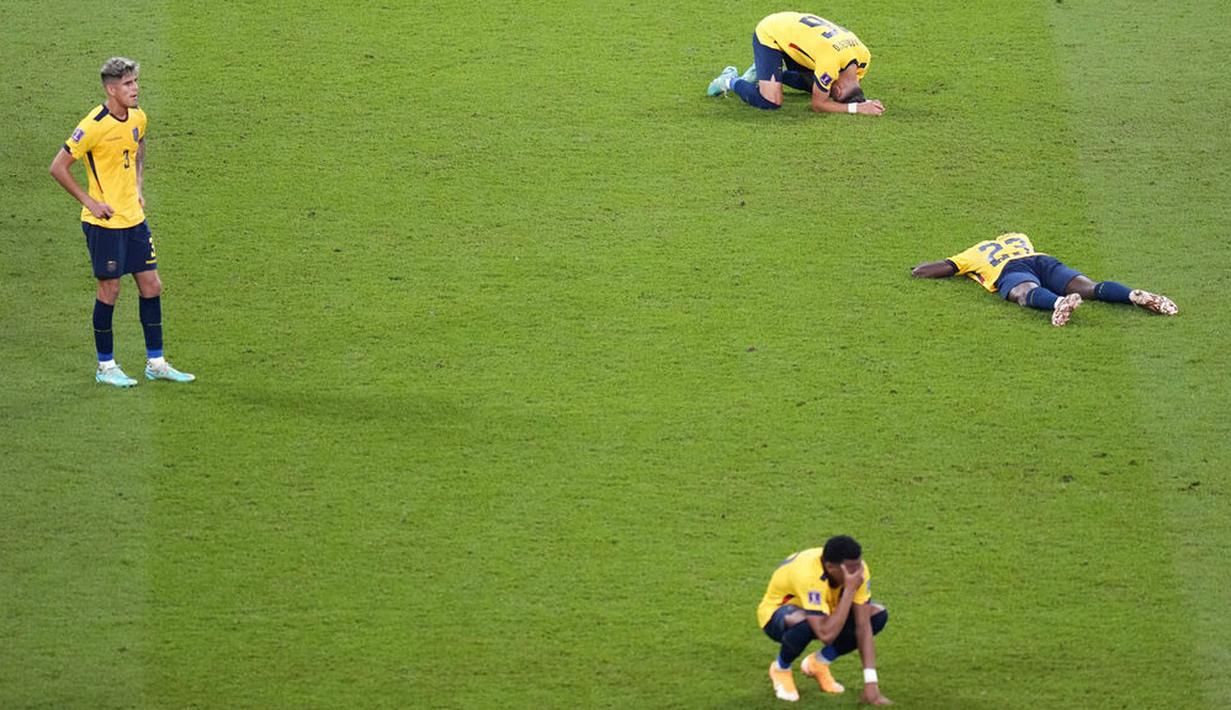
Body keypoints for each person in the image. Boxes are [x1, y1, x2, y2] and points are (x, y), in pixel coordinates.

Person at [49, 57, 195, 387]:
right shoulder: (93, 125)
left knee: (152, 285)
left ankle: (155, 363)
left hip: (134, 218)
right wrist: (90, 201)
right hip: (104, 224)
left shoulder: (138, 117)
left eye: (135, 82)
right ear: (111, 89)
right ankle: (106, 366)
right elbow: (58, 166)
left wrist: (138, 186)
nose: (135, 88)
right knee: (110, 289)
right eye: (128, 84)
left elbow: (139, 143)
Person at [911, 232, 1179, 326]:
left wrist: (920, 267)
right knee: (1090, 288)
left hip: (1009, 268)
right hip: (1042, 259)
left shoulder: (975, 252)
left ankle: (1057, 303)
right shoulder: (1020, 238)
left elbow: (933, 270)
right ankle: (1131, 295)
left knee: (1025, 292)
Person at [756, 535, 891, 705]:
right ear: (830, 567)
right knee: (805, 624)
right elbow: (825, 634)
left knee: (877, 616)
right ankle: (780, 668)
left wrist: (871, 682)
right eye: (851, 569)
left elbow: (863, 626)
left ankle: (818, 663)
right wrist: (849, 591)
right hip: (779, 614)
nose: (859, 574)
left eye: (859, 566)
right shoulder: (808, 575)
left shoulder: (858, 570)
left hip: (825, 609)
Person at [707, 12, 885, 116]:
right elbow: (818, 105)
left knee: (815, 85)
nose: (832, 92)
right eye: (834, 93)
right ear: (837, 90)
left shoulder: (863, 58)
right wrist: (856, 108)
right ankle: (729, 80)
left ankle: (768, 75)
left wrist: (864, 102)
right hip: (772, 32)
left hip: (797, 37)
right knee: (771, 101)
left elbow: (831, 90)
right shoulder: (830, 62)